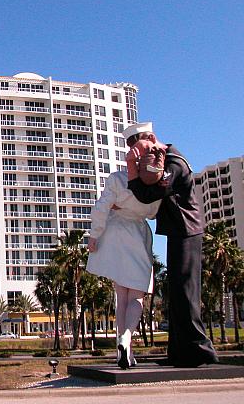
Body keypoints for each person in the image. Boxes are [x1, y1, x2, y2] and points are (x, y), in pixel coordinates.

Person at [124, 122, 218, 368]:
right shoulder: (162, 161)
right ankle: (179, 353)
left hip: (188, 229)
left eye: (140, 146)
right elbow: (146, 193)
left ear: (152, 138)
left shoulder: (175, 162)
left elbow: (150, 193)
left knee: (186, 291)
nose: (140, 155)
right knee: (176, 293)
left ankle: (201, 352)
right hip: (177, 231)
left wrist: (131, 167)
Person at [86, 161, 160, 369]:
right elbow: (153, 214)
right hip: (137, 233)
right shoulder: (156, 188)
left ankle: (124, 349)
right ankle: (127, 338)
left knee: (121, 295)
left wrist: (95, 234)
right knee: (136, 295)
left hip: (115, 232)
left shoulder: (118, 178)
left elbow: (102, 207)